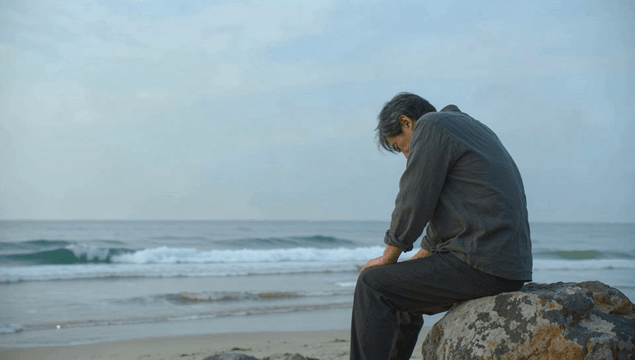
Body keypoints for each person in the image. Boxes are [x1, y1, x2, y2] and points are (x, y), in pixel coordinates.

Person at [350, 92, 533, 360]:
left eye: (401, 146)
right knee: (400, 294)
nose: (406, 155)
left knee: (372, 284)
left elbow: (415, 195)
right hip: (505, 264)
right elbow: (452, 209)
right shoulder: (470, 127)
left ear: (407, 122)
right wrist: (417, 259)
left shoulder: (432, 125)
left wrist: (390, 255)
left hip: (482, 262)